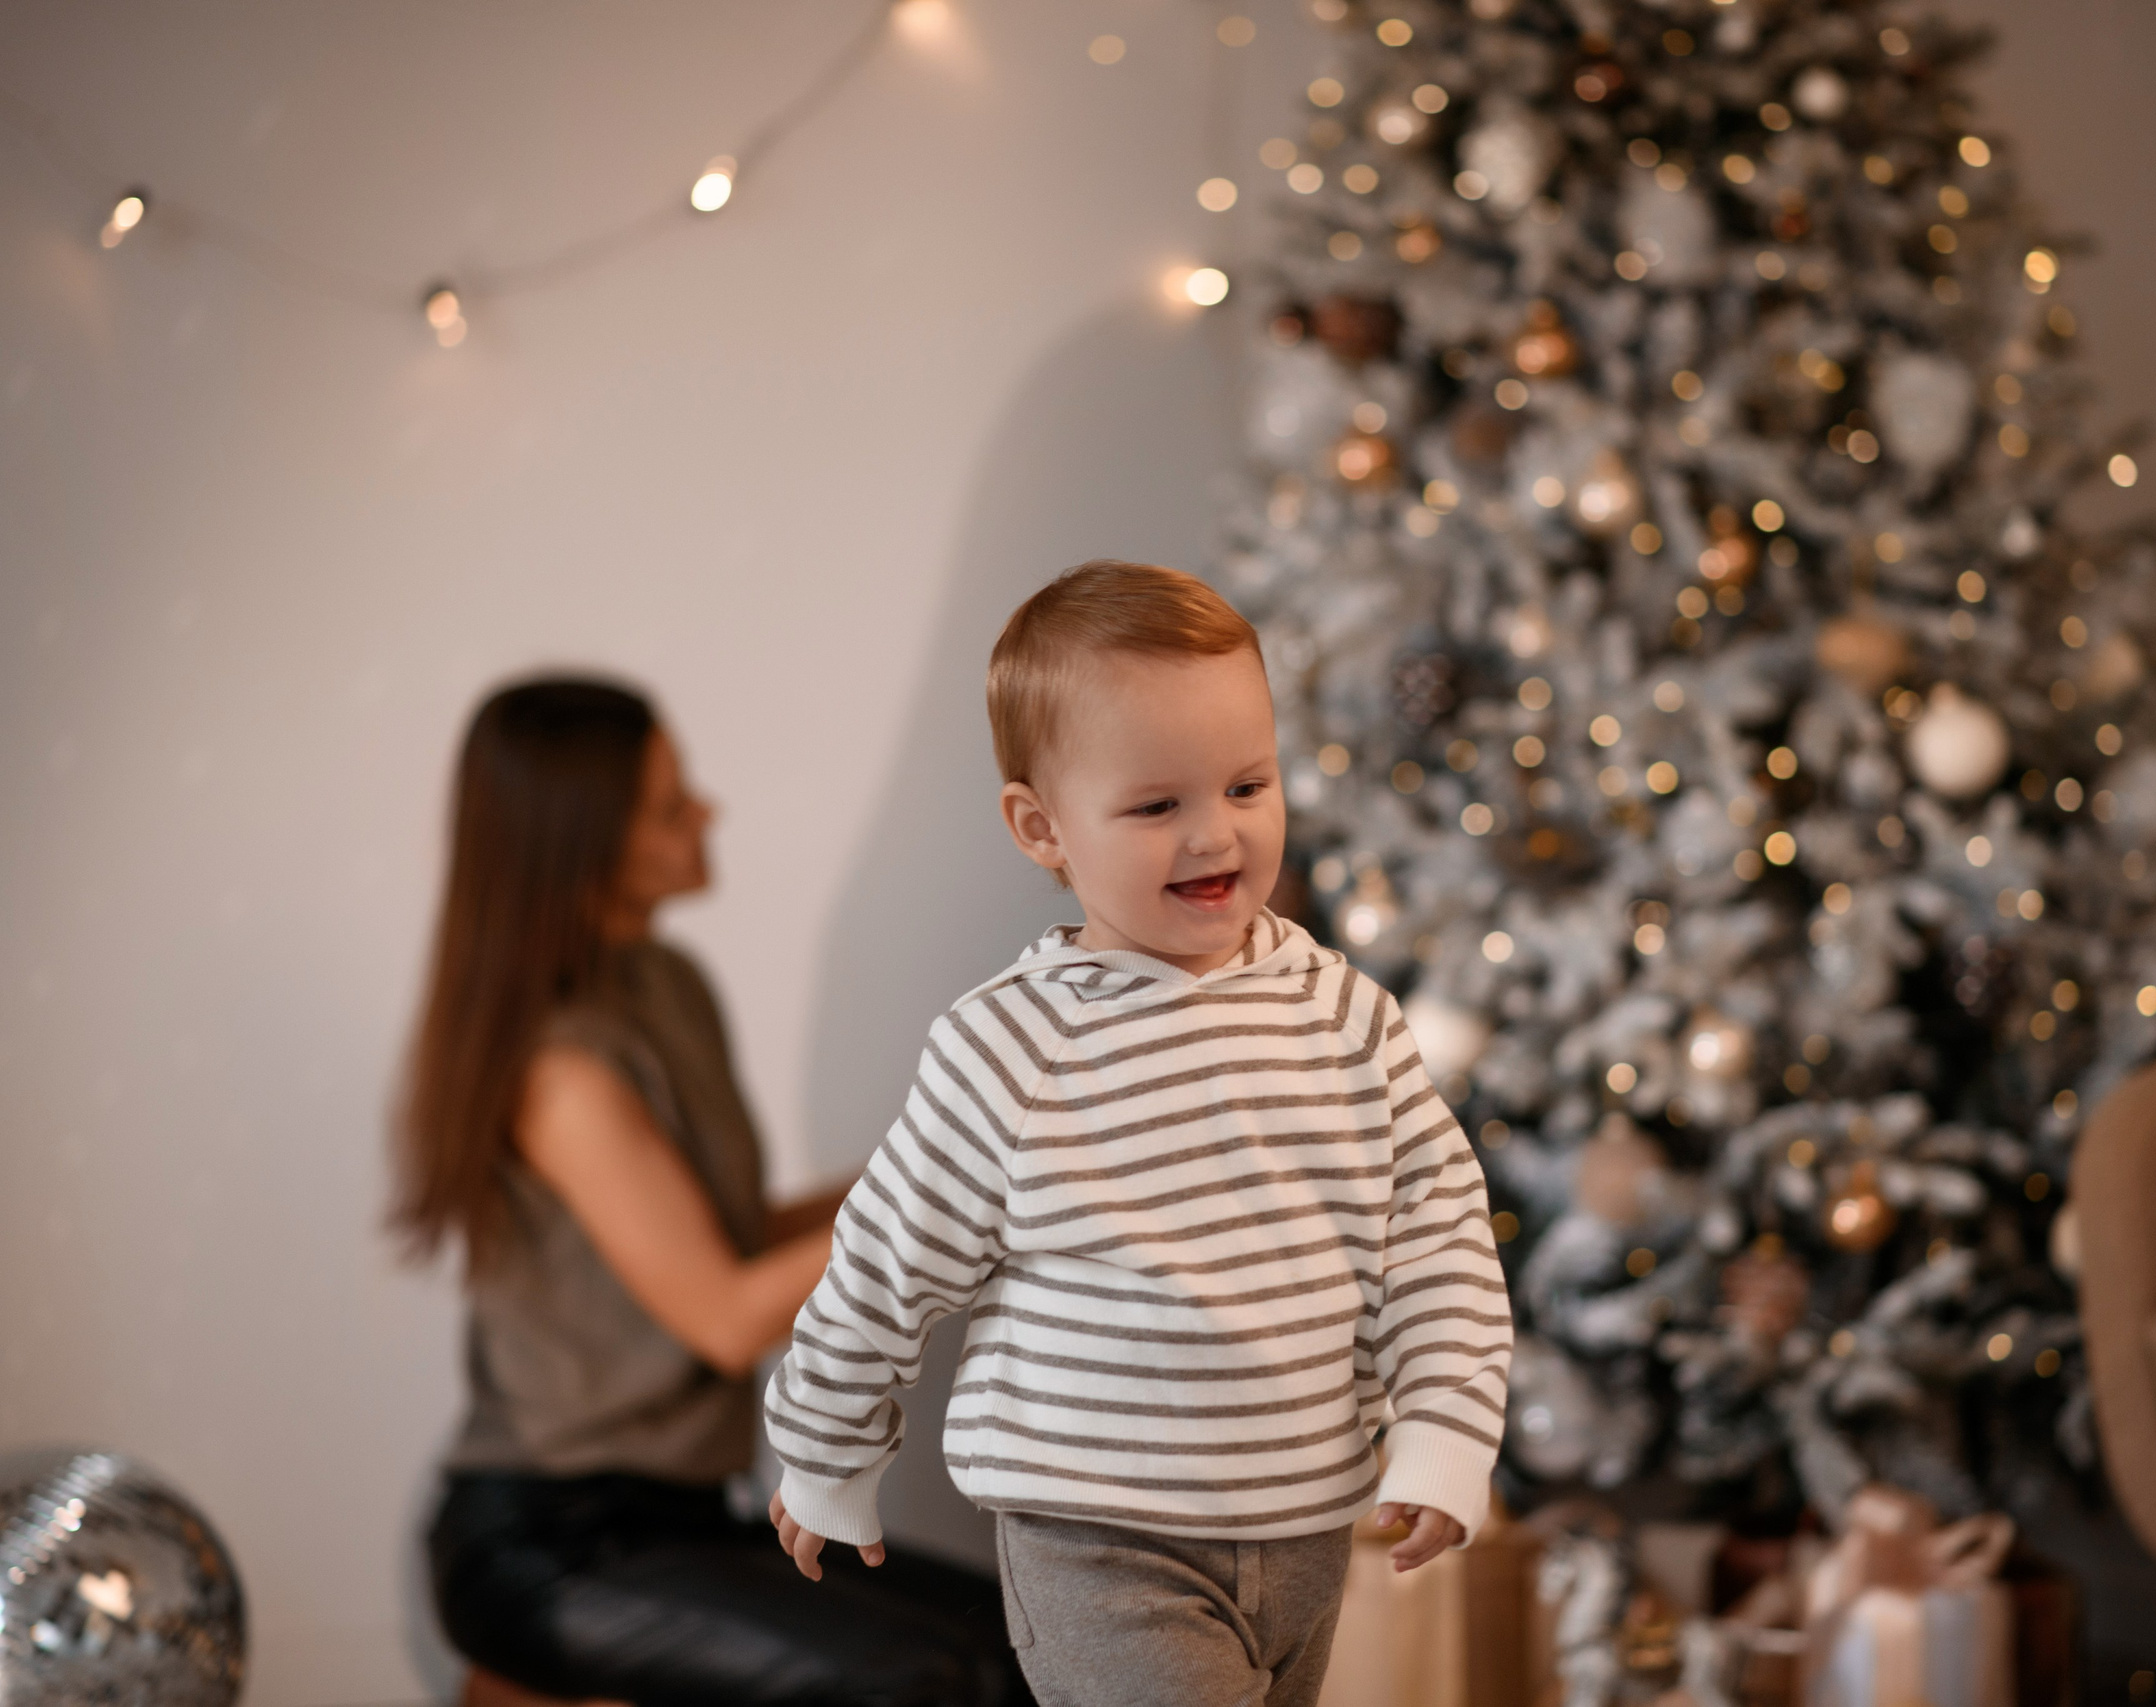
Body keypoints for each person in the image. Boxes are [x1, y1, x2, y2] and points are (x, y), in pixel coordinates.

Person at [763, 564, 1514, 1707]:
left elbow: (1437, 1236)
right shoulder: (1010, 1051)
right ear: (1041, 827)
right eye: (1158, 806)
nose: (1216, 834)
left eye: (1248, 786)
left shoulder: (1344, 1016)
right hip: (1101, 1541)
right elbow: (886, 1261)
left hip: (1305, 1526)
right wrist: (825, 1447)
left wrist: (1444, 1435)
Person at [393, 676, 1026, 1707]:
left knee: (1020, 1646)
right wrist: (957, 1194)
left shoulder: (667, 986)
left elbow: (731, 1239)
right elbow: (726, 1318)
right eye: (669, 804)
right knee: (926, 1681)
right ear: (584, 840)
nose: (706, 814)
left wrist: (951, 1153)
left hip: (688, 1521)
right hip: (553, 1547)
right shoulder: (561, 1075)